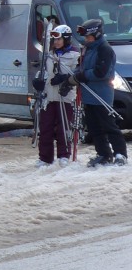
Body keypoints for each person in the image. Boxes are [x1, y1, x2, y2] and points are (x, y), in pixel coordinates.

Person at [72, 18, 128, 167]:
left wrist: (83, 76)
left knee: (108, 125)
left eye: (88, 36)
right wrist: (74, 75)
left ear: (96, 34)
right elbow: (81, 66)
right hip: (88, 94)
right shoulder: (87, 48)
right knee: (94, 127)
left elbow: (101, 72)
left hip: (101, 94)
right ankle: (103, 154)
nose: (86, 39)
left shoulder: (105, 49)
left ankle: (120, 153)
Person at [31, 24, 80, 166]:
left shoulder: (74, 55)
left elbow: (76, 74)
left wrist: (64, 78)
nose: (56, 42)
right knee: (45, 127)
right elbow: (44, 72)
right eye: (54, 40)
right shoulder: (49, 55)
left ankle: (64, 155)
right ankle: (45, 157)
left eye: (59, 39)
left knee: (63, 127)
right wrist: (38, 80)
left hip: (64, 97)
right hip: (49, 96)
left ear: (66, 39)